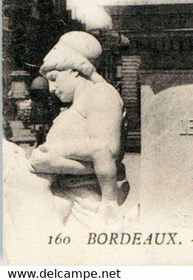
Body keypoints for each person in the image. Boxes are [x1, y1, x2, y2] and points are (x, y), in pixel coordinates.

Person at [28, 32, 128, 227]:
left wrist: (54, 159)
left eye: (55, 78)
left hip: (84, 201)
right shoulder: (76, 104)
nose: (51, 88)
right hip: (62, 194)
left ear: (74, 70)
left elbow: (108, 152)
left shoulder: (101, 94)